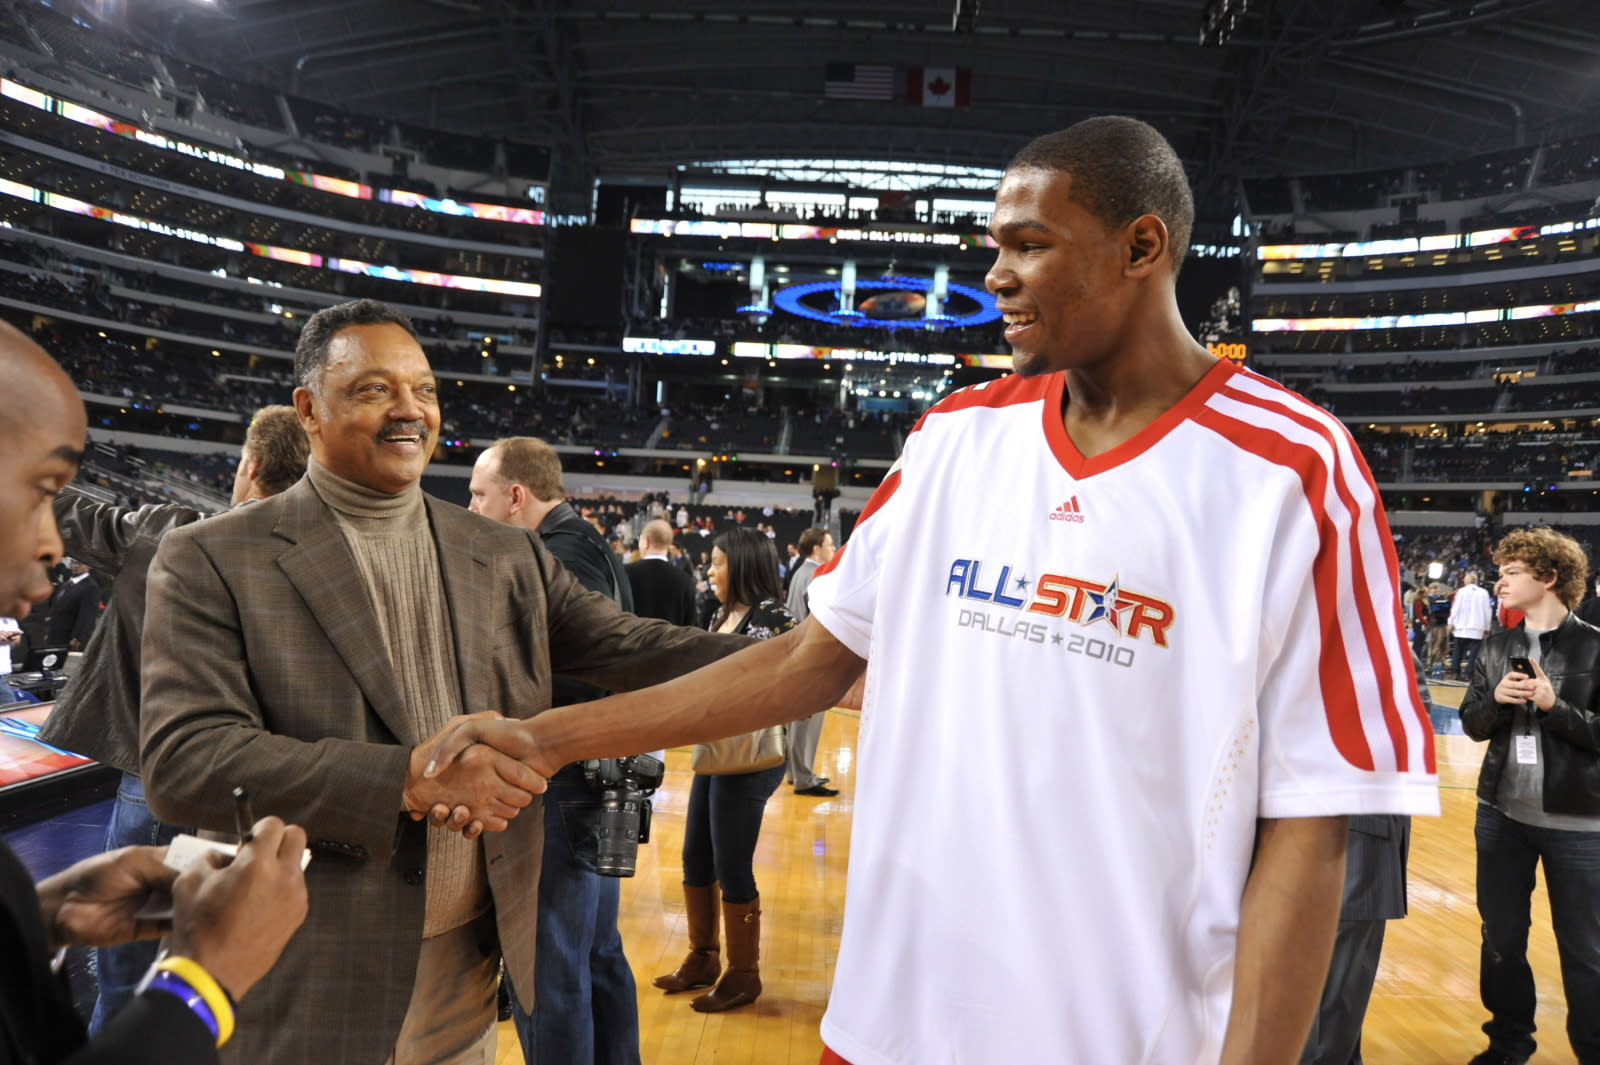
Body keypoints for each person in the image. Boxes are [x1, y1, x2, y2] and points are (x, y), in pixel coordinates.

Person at [424, 116, 1437, 1065]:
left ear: (1140, 247)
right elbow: (806, 660)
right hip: (888, 1024)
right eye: (994, 245)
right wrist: (545, 738)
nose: (995, 275)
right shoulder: (956, 435)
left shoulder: (1292, 467)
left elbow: (1317, 825)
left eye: (1030, 244)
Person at [136, 298, 744, 1065]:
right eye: (373, 389)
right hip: (306, 965)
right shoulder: (211, 555)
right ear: (309, 410)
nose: (408, 411)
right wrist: (409, 780)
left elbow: (632, 644)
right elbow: (185, 760)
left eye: (423, 389)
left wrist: (818, 658)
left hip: (466, 963)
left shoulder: (503, 553)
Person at [0, 317, 309, 1063]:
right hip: (249, 789)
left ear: (248, 463)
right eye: (38, 488)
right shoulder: (314, 569)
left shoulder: (169, 531)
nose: (46, 542)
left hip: (150, 768)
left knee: (124, 971)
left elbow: (84, 521)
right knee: (219, 956)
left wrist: (34, 918)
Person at [467, 436, 642, 1065]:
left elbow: (586, 674)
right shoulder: (585, 543)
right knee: (594, 954)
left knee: (550, 964)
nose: (472, 507)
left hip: (569, 783)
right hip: (598, 778)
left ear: (516, 496)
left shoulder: (558, 554)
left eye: (479, 495)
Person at [1459, 527, 1600, 1065]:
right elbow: (1473, 725)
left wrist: (1552, 705)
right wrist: (1494, 700)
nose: (1500, 582)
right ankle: (1507, 1045)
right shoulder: (1495, 649)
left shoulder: (1596, 646)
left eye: (1512, 572)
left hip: (1580, 823)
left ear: (1548, 577)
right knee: (1501, 942)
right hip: (1501, 816)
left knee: (1586, 952)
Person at [652, 527, 795, 1013]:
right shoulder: (719, 613)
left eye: (717, 562)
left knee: (733, 865)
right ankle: (703, 958)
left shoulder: (775, 616)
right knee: (696, 857)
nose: (709, 571)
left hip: (751, 760)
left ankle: (743, 975)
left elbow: (793, 681)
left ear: (743, 564)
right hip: (715, 753)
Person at [1300, 650, 1431, 1065]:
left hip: (1360, 832)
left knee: (1340, 984)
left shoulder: (1384, 645)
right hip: (1294, 829)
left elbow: (1410, 729)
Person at [783, 527, 838, 797]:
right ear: (816, 548)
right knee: (807, 721)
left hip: (795, 652)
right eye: (829, 544)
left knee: (798, 720)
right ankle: (804, 777)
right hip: (810, 658)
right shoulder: (816, 575)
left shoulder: (799, 572)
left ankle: (797, 772)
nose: (833, 548)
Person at [626, 519, 697, 627]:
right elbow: (691, 627)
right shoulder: (685, 581)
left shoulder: (625, 573)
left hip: (632, 642)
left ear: (646, 542)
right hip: (671, 643)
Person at [45, 556, 101, 650]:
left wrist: (77, 638)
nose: (75, 566)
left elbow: (87, 616)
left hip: (69, 638)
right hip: (55, 635)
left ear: (89, 566)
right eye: (73, 563)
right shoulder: (67, 584)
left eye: (79, 563)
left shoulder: (91, 587)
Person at [1449, 572, 1494, 680]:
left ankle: (1455, 672)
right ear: (1477, 581)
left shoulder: (1461, 591)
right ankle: (1469, 674)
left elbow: (1455, 608)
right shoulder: (1484, 593)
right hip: (1477, 627)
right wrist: (1487, 627)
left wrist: (1451, 622)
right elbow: (1487, 611)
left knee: (1458, 650)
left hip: (1461, 626)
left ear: (1465, 581)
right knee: (1474, 652)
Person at [0, 614, 19, 705]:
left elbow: (17, 641)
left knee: (10, 714)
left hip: (3, 676)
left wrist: (14, 638)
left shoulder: (9, 615)